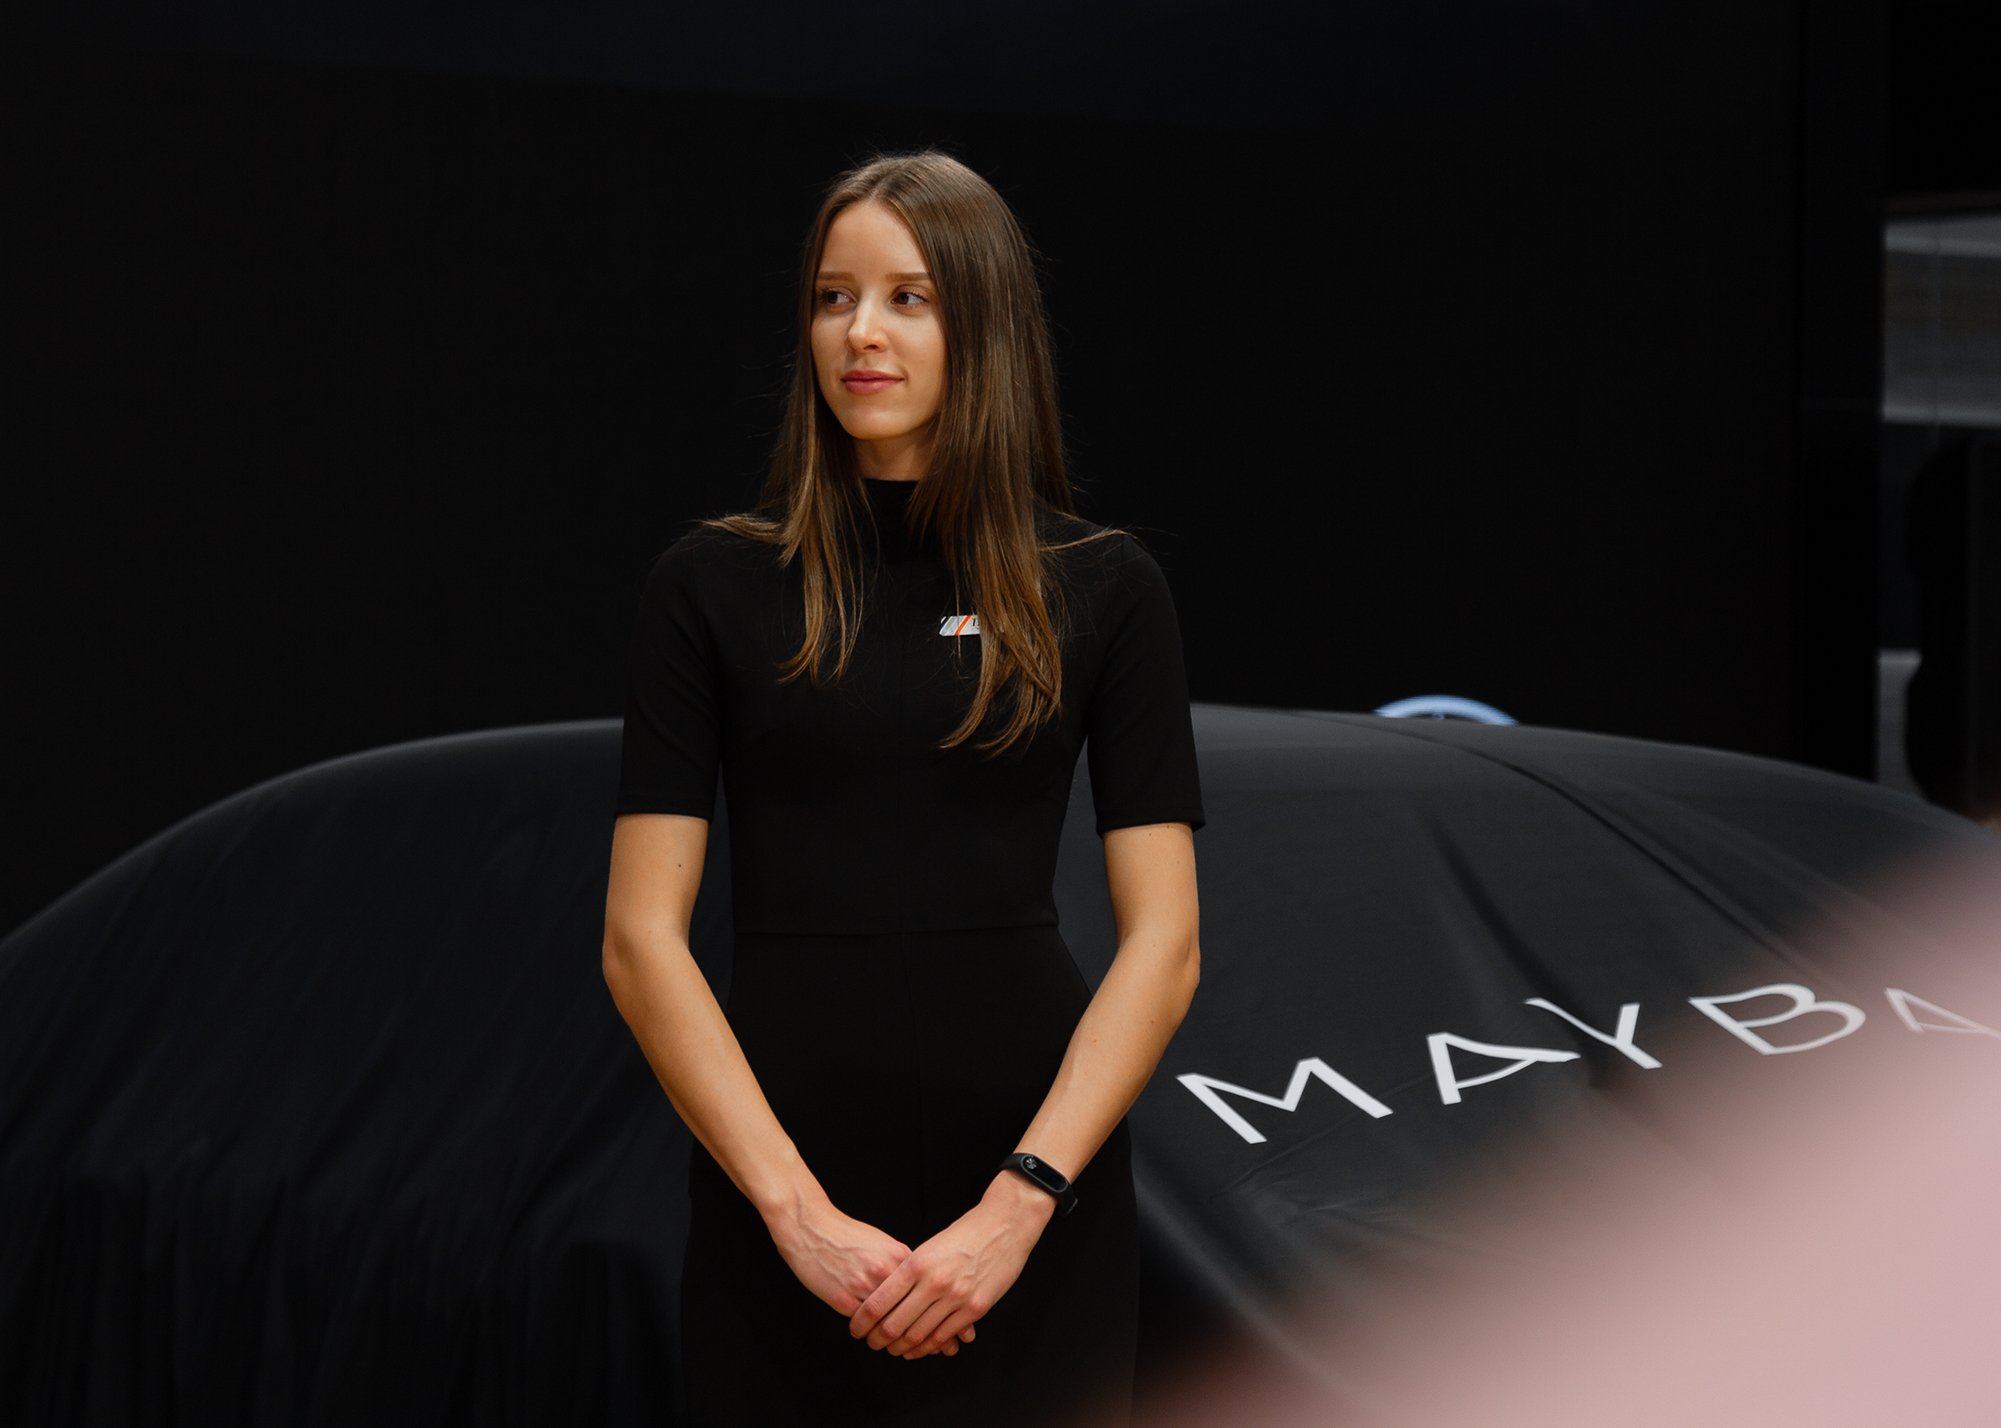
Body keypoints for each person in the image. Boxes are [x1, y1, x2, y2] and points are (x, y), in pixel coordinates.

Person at [601, 149, 1206, 1428]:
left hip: (1031, 1200)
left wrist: (1019, 1205)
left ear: (982, 323)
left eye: (906, 299)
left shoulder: (1102, 586)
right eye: (832, 298)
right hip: (784, 1197)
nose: (858, 333)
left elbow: (1167, 946)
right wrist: (797, 1216)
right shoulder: (710, 585)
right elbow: (639, 943)